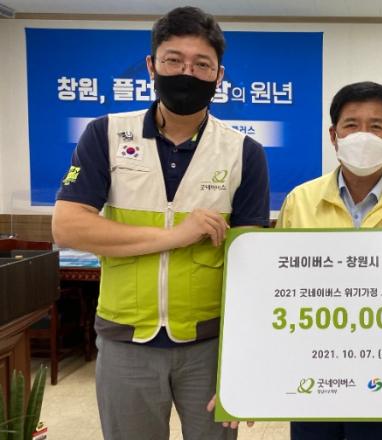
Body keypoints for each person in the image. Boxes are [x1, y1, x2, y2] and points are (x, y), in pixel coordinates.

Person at [52, 6, 269, 440]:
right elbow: (68, 227)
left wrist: (244, 361)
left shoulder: (244, 152)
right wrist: (175, 236)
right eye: (174, 60)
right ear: (152, 65)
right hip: (125, 340)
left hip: (209, 345)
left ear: (219, 76)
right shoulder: (105, 134)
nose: (187, 73)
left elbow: (252, 265)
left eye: (202, 64)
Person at [276, 81, 382, 440]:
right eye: (351, 125)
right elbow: (277, 291)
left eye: (376, 126)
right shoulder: (299, 202)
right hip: (313, 376)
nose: (362, 136)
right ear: (333, 135)